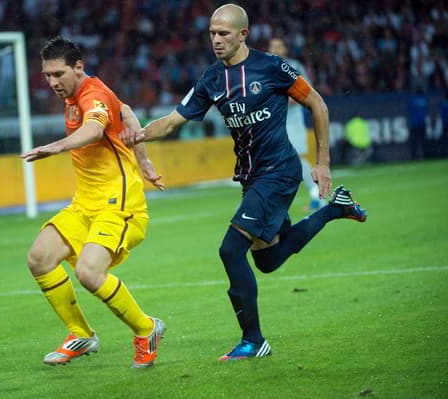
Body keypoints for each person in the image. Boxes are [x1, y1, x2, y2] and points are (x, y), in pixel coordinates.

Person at [120, 4, 368, 361]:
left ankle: (253, 341)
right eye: (211, 34)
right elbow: (174, 120)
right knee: (267, 260)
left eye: (223, 34)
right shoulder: (210, 79)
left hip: (279, 172)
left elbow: (318, 104)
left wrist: (323, 162)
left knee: (230, 249)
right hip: (251, 178)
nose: (216, 40)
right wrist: (140, 135)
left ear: (243, 35)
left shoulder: (272, 68)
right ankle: (335, 209)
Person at [21, 36, 166, 368]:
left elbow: (94, 130)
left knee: (88, 273)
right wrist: (144, 161)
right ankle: (80, 333)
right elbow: (127, 112)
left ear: (78, 67)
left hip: (118, 203)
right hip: (86, 202)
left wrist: (54, 147)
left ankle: (147, 329)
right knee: (40, 258)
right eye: (47, 75)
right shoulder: (77, 93)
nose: (53, 82)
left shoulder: (93, 94)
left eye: (59, 74)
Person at [268, 37, 322, 210]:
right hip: (274, 124)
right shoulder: (266, 68)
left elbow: (304, 92)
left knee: (296, 159)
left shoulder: (294, 66)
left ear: (285, 50)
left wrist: (277, 103)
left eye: (279, 46)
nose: (276, 50)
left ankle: (317, 193)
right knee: (277, 162)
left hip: (292, 122)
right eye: (273, 47)